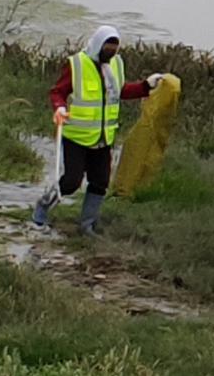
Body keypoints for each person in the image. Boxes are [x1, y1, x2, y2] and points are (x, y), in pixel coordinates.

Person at [33, 24, 169, 235]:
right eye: (108, 46)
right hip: (76, 136)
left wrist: (145, 86)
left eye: (115, 47)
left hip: (103, 137)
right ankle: (43, 206)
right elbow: (57, 92)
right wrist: (59, 108)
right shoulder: (77, 64)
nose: (111, 51)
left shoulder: (116, 65)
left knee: (100, 181)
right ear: (98, 44)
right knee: (71, 182)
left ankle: (87, 225)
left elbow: (120, 91)